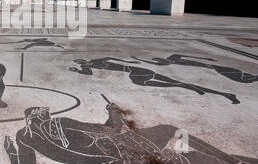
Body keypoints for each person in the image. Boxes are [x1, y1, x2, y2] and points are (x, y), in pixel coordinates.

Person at [4, 95, 257, 164]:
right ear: (44, 117)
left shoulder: (24, 137)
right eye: (45, 114)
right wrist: (113, 112)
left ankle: (185, 156)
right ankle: (226, 159)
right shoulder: (61, 123)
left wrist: (12, 154)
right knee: (171, 130)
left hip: (104, 158)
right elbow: (111, 132)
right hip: (118, 152)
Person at [69, 57, 239, 104]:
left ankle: (183, 85)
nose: (80, 63)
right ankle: (225, 94)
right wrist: (77, 70)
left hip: (136, 71)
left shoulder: (97, 61)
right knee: (171, 82)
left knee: (142, 82)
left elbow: (111, 57)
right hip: (137, 72)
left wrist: (129, 62)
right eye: (78, 63)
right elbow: (88, 75)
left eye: (79, 61)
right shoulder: (88, 67)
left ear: (84, 59)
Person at [132, 54, 257, 84]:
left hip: (211, 67)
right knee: (236, 76)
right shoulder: (167, 63)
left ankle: (251, 78)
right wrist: (138, 59)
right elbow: (155, 65)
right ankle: (251, 78)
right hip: (210, 68)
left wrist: (208, 59)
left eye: (158, 59)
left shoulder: (172, 58)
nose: (159, 60)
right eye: (157, 60)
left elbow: (186, 55)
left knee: (236, 76)